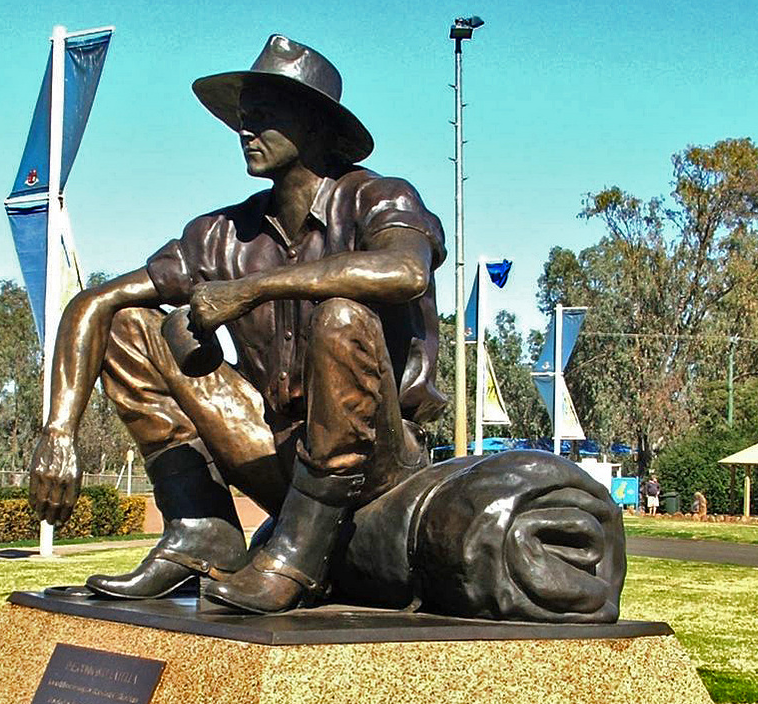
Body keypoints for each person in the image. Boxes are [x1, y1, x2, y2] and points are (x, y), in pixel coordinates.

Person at [28, 36, 446, 614]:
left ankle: (299, 555)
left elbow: (404, 270)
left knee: (342, 315)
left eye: (266, 116)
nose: (246, 131)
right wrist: (58, 432)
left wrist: (250, 289)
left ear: (317, 124)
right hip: (274, 450)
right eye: (243, 120)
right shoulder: (221, 234)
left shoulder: (377, 197)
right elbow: (94, 304)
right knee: (129, 322)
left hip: (376, 465)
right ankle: (200, 529)